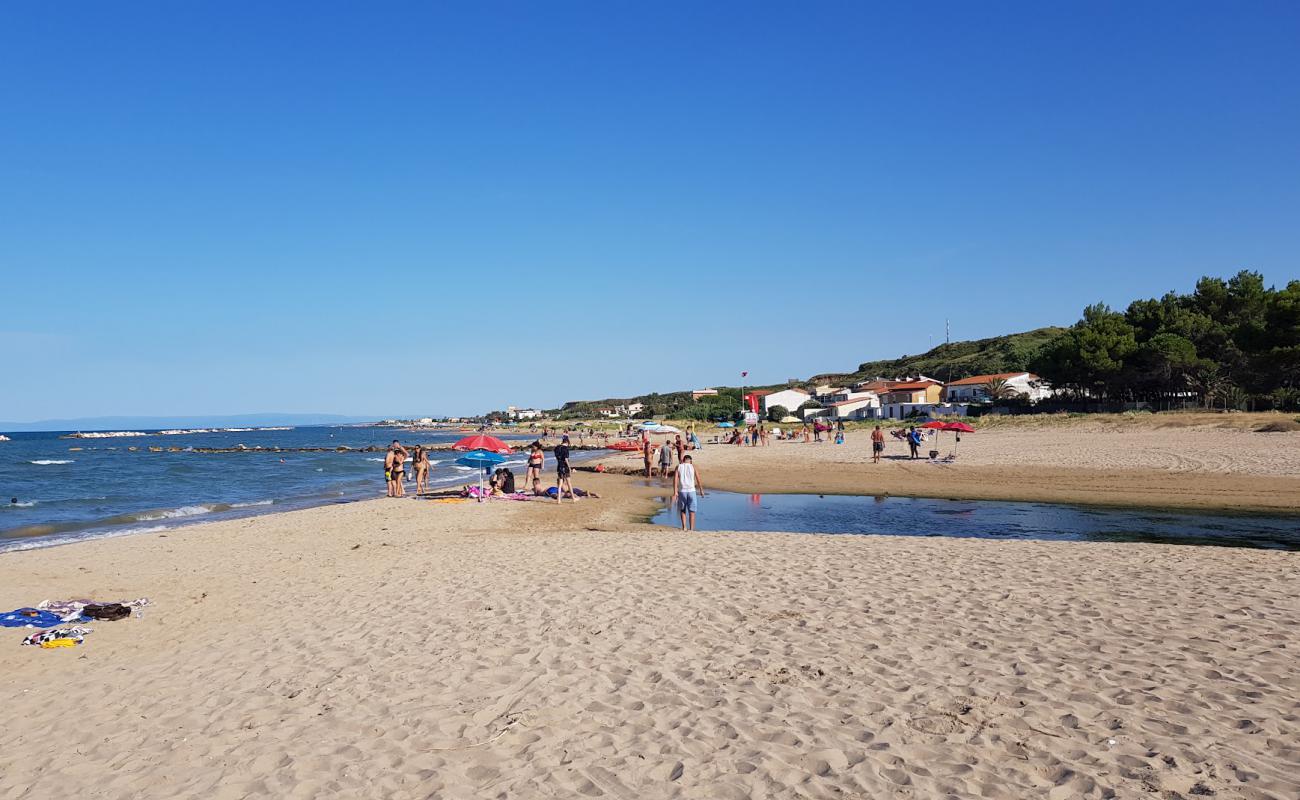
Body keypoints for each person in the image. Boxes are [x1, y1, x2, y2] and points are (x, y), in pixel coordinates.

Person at [673, 454, 705, 530]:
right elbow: (698, 479)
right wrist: (701, 490)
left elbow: (675, 480)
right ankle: (691, 528)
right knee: (692, 511)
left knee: (683, 510)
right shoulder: (693, 466)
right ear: (690, 460)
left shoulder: (678, 466)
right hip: (691, 491)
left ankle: (684, 527)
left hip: (682, 491)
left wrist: (675, 492)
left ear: (683, 460)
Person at [554, 435, 575, 502]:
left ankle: (559, 500)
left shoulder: (557, 448)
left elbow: (557, 457)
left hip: (559, 466)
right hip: (564, 466)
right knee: (569, 483)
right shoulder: (565, 448)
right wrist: (569, 467)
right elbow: (566, 459)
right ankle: (573, 498)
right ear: (567, 442)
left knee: (560, 484)